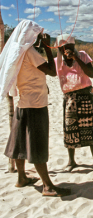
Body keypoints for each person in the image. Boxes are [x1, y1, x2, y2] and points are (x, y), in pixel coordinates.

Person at [1, 20, 71, 197]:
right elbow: (52, 71)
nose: (40, 37)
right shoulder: (30, 53)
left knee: (19, 141)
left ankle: (22, 177)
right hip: (35, 104)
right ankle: (47, 186)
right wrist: (47, 47)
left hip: (23, 103)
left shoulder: (18, 52)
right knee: (37, 144)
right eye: (38, 34)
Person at [54, 34, 93, 179]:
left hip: (87, 95)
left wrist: (76, 58)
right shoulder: (57, 62)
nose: (68, 50)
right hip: (69, 97)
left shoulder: (82, 55)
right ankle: (72, 161)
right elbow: (50, 71)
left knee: (92, 129)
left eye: (71, 47)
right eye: (65, 48)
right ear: (60, 49)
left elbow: (91, 73)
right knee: (70, 129)